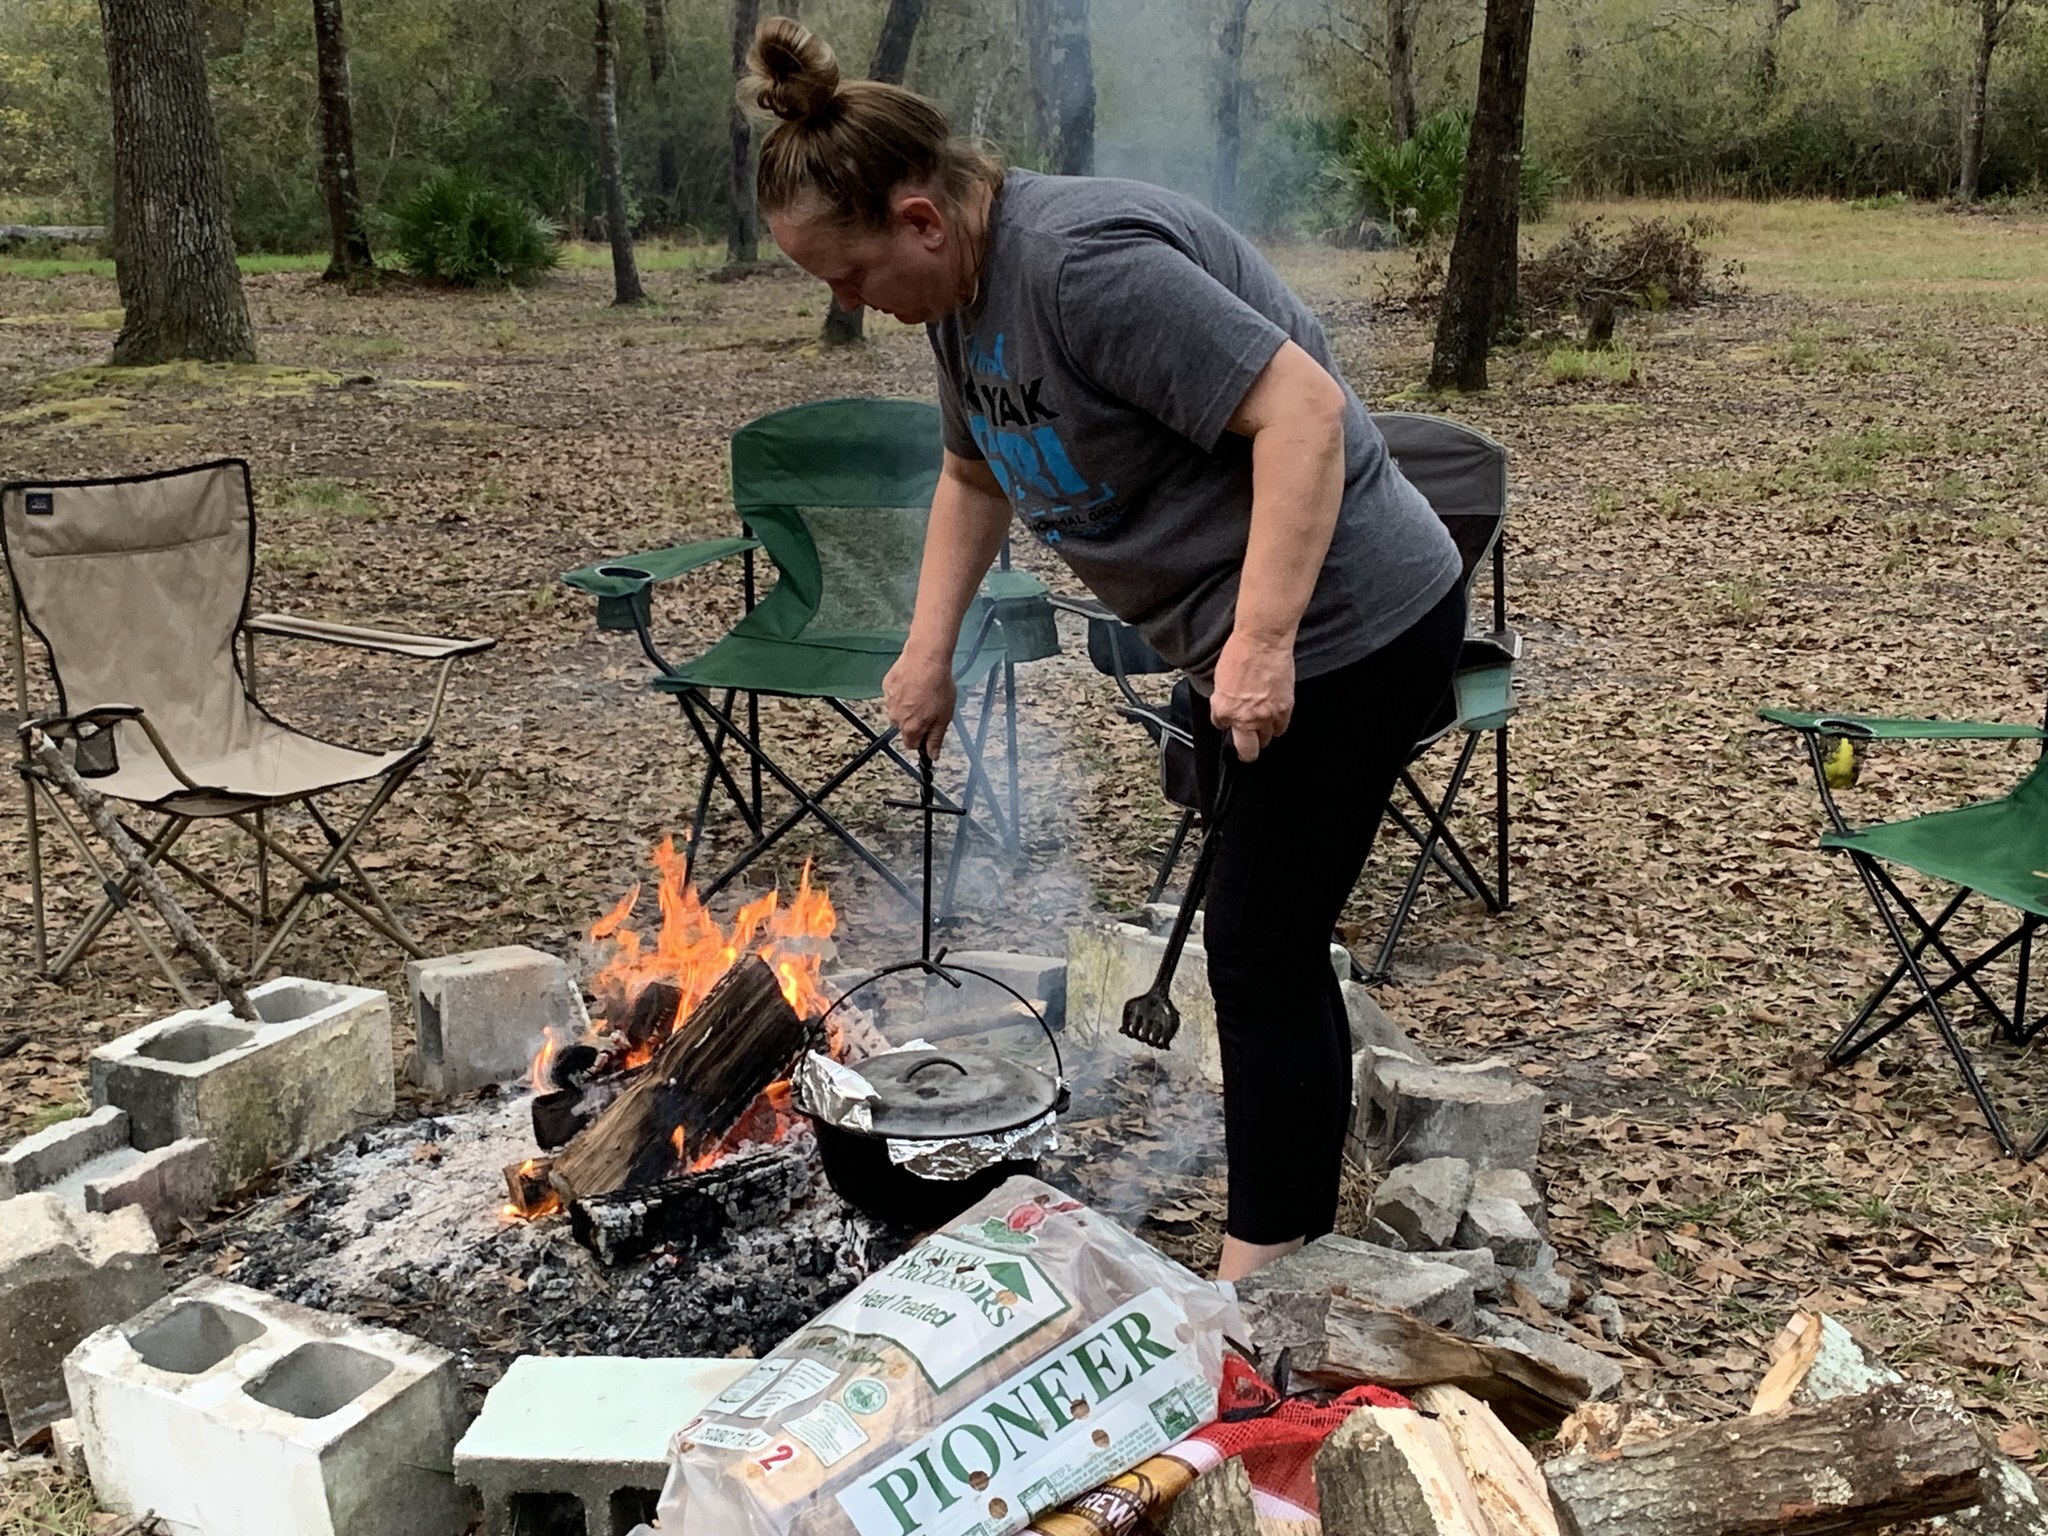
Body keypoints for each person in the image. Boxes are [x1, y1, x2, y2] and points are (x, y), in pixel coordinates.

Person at [743, 17, 1465, 1282]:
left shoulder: (1079, 266)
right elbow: (975, 472)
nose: (851, 306)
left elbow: (1300, 411)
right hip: (1245, 637)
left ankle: (1262, 1272)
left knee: (1254, 947)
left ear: (920, 218)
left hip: (1354, 625)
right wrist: (926, 653)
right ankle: (1280, 1223)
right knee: (1260, 932)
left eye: (848, 278)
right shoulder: (958, 296)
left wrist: (1258, 643)